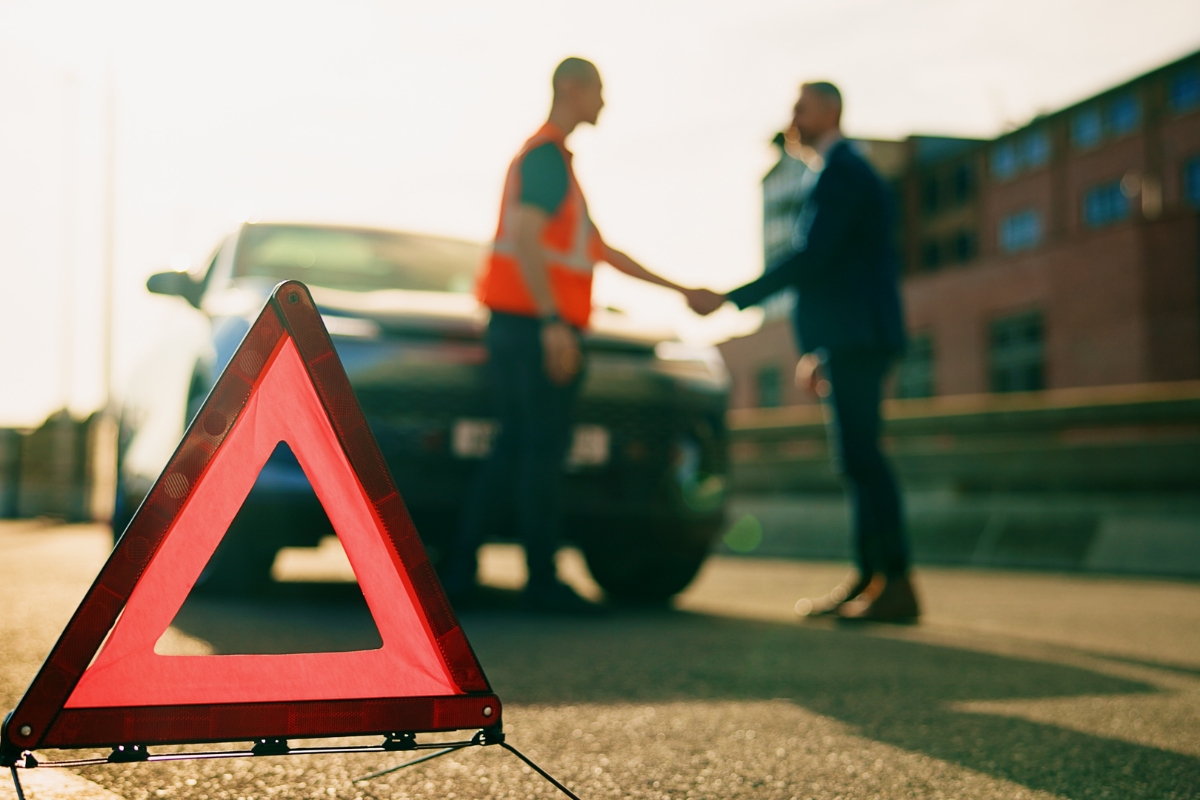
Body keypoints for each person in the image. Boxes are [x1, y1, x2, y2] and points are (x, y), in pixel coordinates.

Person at [444, 57, 710, 613]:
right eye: (599, 92)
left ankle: (461, 572)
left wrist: (683, 289)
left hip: (522, 326)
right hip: (532, 328)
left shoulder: (553, 163)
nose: (605, 103)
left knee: (518, 448)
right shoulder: (544, 157)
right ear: (573, 89)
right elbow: (528, 239)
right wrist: (552, 325)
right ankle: (537, 580)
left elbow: (600, 251)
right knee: (538, 453)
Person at [689, 82, 919, 622]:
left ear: (831, 111)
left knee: (864, 458)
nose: (793, 118)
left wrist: (730, 298)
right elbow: (843, 269)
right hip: (852, 334)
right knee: (857, 460)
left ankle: (898, 580)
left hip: (859, 335)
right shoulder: (841, 172)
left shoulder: (842, 172)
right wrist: (819, 348)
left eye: (801, 108)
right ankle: (871, 578)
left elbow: (812, 259)